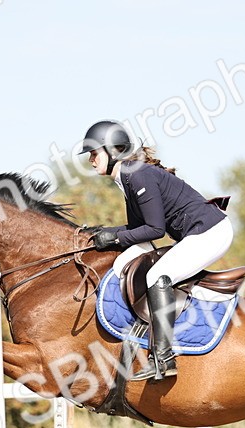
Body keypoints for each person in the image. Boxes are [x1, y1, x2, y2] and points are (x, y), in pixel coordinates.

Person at [79, 120, 234, 381]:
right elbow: (136, 228)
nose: (91, 160)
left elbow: (154, 230)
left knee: (157, 276)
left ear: (113, 150)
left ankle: (163, 358)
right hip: (199, 232)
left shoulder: (137, 175)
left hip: (211, 232)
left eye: (94, 153)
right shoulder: (127, 177)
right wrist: (100, 233)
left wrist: (114, 237)